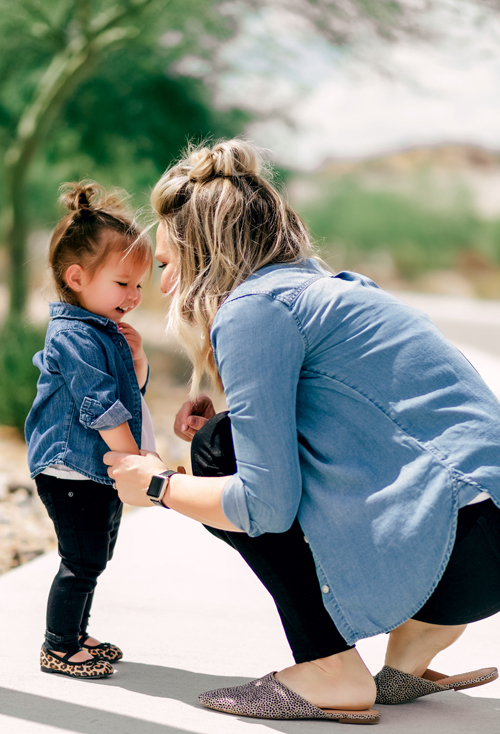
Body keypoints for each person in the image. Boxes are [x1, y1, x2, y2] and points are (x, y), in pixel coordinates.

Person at [105, 140, 500, 724]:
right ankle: (409, 656)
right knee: (226, 435)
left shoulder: (253, 308)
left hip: (456, 544)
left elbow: (264, 504)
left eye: (167, 264)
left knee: (220, 452)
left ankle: (329, 669)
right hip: (481, 547)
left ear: (207, 253)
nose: (164, 286)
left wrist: (159, 485)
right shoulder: (341, 288)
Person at [25, 182, 154, 679]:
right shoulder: (75, 334)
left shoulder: (104, 331)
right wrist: (135, 461)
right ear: (76, 277)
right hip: (69, 468)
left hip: (94, 469)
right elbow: (99, 406)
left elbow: (129, 394)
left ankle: (76, 631)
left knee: (96, 555)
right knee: (81, 560)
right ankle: (58, 646)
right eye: (123, 283)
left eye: (139, 285)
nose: (134, 296)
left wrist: (138, 357)